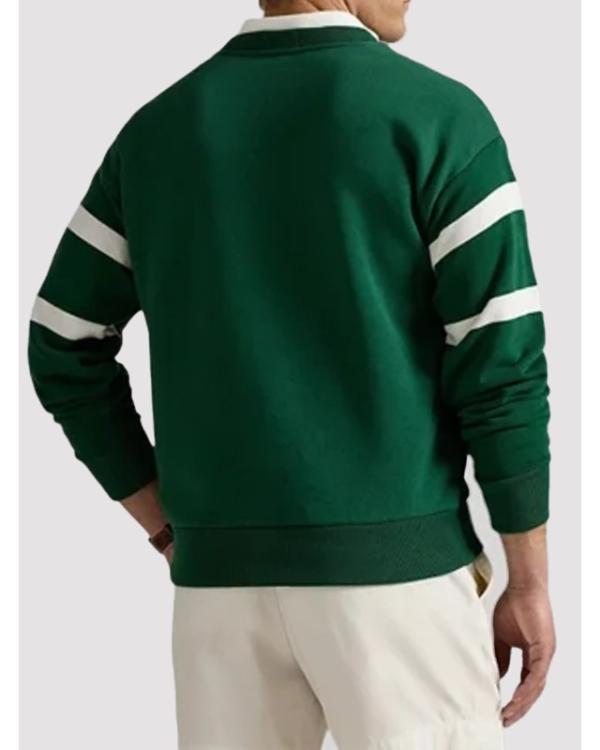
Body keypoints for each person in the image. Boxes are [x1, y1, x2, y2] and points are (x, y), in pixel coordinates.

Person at [28, 0, 556, 747]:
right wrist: (528, 580)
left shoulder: (156, 131)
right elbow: (501, 365)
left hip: (219, 592)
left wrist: (168, 526)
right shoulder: (439, 117)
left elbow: (61, 340)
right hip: (397, 587)